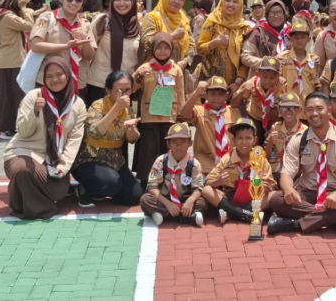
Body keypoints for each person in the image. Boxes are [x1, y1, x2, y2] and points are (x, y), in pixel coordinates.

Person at [267, 92, 336, 236]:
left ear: (329, 110)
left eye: (319, 109)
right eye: (310, 110)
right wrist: (288, 189)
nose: (314, 114)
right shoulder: (299, 140)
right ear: (305, 113)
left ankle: (294, 224)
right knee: (277, 199)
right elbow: (287, 172)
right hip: (308, 193)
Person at [3, 58, 86, 219]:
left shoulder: (77, 104)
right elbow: (22, 131)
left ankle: (22, 188)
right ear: (43, 78)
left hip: (54, 160)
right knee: (23, 170)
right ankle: (32, 208)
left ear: (67, 75)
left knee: (59, 192)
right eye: (49, 76)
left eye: (59, 74)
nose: (54, 79)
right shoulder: (34, 96)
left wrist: (64, 165)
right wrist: (34, 112)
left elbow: (75, 139)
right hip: (24, 152)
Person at [71, 71, 142, 208]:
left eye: (128, 90)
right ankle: (84, 189)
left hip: (115, 160)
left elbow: (132, 140)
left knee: (134, 196)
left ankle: (103, 189)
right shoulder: (98, 105)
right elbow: (95, 133)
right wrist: (116, 108)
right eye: (119, 91)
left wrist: (130, 128)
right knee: (112, 183)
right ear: (108, 90)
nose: (124, 94)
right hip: (90, 158)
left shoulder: (128, 110)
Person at [132, 33, 186, 182]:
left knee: (167, 150)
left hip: (169, 116)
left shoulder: (176, 69)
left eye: (166, 48)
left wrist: (181, 115)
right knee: (149, 151)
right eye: (159, 48)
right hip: (149, 117)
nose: (162, 51)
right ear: (153, 49)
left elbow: (180, 92)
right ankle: (146, 182)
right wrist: (138, 76)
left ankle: (167, 182)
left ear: (171, 49)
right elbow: (132, 88)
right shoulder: (145, 68)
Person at [202, 117, 276, 224]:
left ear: (255, 140)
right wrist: (218, 181)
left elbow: (272, 185)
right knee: (207, 190)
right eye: (240, 138)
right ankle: (245, 214)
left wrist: (265, 186)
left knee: (272, 195)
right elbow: (207, 182)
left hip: (253, 197)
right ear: (233, 140)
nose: (244, 142)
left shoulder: (260, 160)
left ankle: (231, 214)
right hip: (230, 198)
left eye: (248, 138)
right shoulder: (227, 159)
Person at [28, 0, 96, 94]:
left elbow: (89, 56)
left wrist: (85, 39)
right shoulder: (46, 18)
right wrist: (66, 46)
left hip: (77, 83)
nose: (74, 3)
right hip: (50, 82)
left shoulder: (85, 24)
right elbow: (35, 46)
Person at [140, 122, 206, 227]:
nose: (179, 146)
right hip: (165, 198)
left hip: (184, 198)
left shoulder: (194, 164)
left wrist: (190, 201)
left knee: (202, 203)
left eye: (183, 142)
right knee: (145, 199)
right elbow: (152, 187)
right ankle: (187, 218)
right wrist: (168, 204)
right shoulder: (161, 161)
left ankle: (164, 215)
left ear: (190, 143)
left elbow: (198, 188)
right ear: (168, 144)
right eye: (174, 142)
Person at [86, 0, 141, 107]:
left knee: (122, 119)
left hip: (126, 88)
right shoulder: (102, 21)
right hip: (99, 84)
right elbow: (89, 49)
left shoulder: (138, 27)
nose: (122, 3)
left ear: (133, 2)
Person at [0, 0, 34, 139]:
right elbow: (29, 25)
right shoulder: (9, 16)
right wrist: (24, 8)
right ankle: (6, 128)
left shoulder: (4, 14)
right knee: (12, 95)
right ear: (16, 2)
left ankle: (3, 128)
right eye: (22, 0)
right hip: (12, 61)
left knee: (6, 95)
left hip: (8, 60)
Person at [180, 76, 241, 174]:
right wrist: (196, 93)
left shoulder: (233, 112)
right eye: (212, 94)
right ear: (205, 95)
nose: (216, 98)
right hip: (205, 164)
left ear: (226, 96)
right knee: (204, 182)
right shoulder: (200, 111)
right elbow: (184, 114)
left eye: (220, 94)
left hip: (229, 164)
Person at [197, 0, 249, 93]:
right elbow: (199, 49)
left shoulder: (243, 28)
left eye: (235, 2)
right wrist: (215, 42)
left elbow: (245, 59)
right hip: (210, 84)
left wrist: (237, 83)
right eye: (227, 0)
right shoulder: (212, 21)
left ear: (240, 5)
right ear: (222, 1)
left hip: (233, 86)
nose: (231, 4)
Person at [230, 56, 283, 143]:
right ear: (257, 73)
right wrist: (242, 91)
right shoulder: (252, 83)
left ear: (278, 77)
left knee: (269, 143)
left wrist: (271, 127)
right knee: (252, 143)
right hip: (253, 118)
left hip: (270, 120)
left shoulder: (280, 86)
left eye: (272, 78)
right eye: (264, 77)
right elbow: (233, 104)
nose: (267, 81)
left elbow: (276, 111)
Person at [141, 0, 192, 70]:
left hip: (178, 71)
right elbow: (146, 42)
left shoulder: (184, 19)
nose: (177, 1)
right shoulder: (152, 17)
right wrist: (171, 36)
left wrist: (185, 61)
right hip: (155, 72)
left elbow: (192, 44)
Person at [277, 22, 320, 121]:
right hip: (287, 108)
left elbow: (316, 83)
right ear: (289, 38)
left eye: (303, 37)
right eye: (296, 37)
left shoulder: (312, 60)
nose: (299, 40)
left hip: (306, 109)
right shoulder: (282, 58)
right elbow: (275, 79)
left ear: (308, 39)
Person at [264, 92, 308, 181]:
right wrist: (271, 140)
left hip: (295, 172)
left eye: (292, 108)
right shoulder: (276, 127)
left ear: (299, 109)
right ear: (279, 110)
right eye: (284, 108)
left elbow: (308, 155)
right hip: (276, 171)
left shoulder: (305, 131)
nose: (288, 111)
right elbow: (265, 155)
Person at [241, 0, 290, 72]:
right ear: (266, 14)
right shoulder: (257, 32)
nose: (276, 16)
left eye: (279, 12)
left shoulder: (290, 33)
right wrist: (267, 63)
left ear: (284, 14)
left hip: (287, 76)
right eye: (272, 13)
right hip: (263, 76)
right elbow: (245, 56)